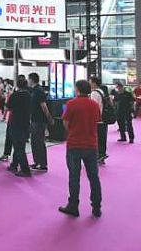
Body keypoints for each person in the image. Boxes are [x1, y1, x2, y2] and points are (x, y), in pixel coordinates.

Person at [59, 80, 102, 218]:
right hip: (91, 145)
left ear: (77, 89)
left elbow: (65, 123)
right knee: (94, 177)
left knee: (74, 177)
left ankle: (73, 206)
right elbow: (97, 121)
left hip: (74, 144)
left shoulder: (71, 104)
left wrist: (73, 130)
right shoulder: (94, 105)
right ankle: (96, 207)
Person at [29, 72, 54, 172]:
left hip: (39, 120)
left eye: (29, 79)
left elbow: (44, 106)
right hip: (34, 119)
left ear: (31, 80)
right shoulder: (33, 90)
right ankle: (37, 162)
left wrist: (49, 118)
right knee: (34, 142)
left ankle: (43, 164)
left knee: (39, 142)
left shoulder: (39, 91)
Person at [7, 77, 31, 177]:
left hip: (16, 122)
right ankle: (14, 164)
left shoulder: (15, 95)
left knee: (18, 147)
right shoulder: (29, 95)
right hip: (26, 122)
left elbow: (8, 107)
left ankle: (25, 169)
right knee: (20, 145)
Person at [89, 77, 108, 162]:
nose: (89, 83)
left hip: (97, 119)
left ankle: (97, 156)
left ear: (94, 83)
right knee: (102, 138)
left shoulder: (94, 93)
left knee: (96, 138)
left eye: (90, 82)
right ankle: (102, 154)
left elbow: (93, 107)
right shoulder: (101, 91)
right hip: (104, 117)